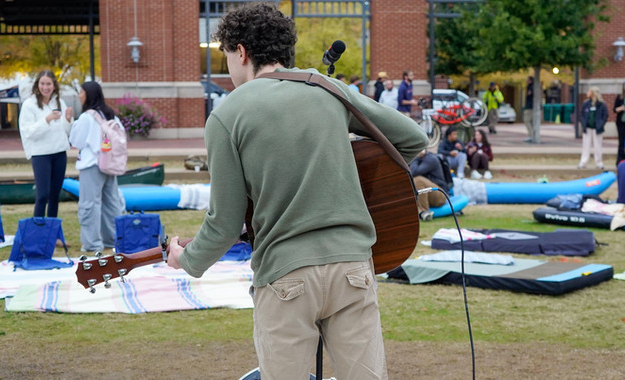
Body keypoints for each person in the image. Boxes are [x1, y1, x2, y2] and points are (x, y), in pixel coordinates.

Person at [164, 4, 427, 379]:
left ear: (241, 52)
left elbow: (223, 224)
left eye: (225, 57)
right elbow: (412, 140)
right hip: (352, 266)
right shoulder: (325, 87)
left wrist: (186, 260)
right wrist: (350, 169)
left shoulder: (226, 115)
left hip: (285, 274)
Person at [68, 81, 126, 253]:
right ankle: (113, 239)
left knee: (89, 204)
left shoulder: (87, 117)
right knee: (112, 202)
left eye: (81, 92)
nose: (79, 96)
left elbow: (75, 141)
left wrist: (70, 122)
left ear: (88, 95)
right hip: (110, 163)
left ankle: (92, 243)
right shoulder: (110, 115)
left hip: (91, 165)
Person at [19, 70, 73, 218]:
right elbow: (28, 132)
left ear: (54, 86)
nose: (45, 87)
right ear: (37, 85)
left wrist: (68, 120)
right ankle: (38, 234)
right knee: (43, 195)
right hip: (40, 155)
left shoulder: (59, 102)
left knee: (55, 196)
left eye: (48, 84)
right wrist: (46, 120)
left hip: (59, 153)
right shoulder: (29, 105)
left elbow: (65, 131)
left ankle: (53, 234)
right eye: (42, 83)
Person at [409, 149, 449, 221]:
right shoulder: (419, 159)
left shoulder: (431, 159)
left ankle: (424, 212)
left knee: (418, 180)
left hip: (440, 194)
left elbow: (413, 172)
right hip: (429, 195)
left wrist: (415, 157)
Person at [578, 87, 608, 169]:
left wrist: (601, 124)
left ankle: (599, 163)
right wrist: (584, 124)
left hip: (597, 129)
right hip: (587, 128)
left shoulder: (601, 104)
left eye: (589, 91)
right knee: (586, 146)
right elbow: (582, 114)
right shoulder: (586, 103)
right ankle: (583, 162)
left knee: (598, 146)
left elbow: (605, 115)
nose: (587, 93)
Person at [523, 76, 536, 143]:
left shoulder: (531, 87)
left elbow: (530, 95)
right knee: (530, 121)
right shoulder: (532, 87)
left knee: (527, 121)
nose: (526, 80)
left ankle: (531, 136)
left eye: (527, 79)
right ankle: (532, 135)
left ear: (530, 80)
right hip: (531, 106)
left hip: (530, 107)